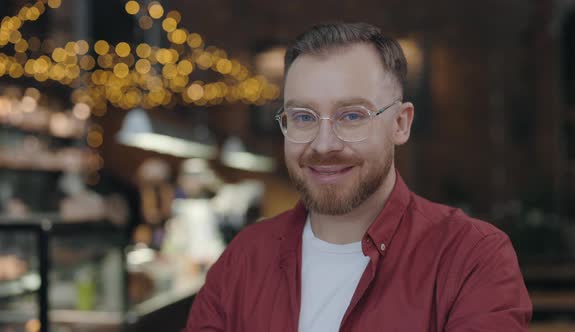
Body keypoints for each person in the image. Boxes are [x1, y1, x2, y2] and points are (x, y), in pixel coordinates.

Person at [185, 22, 532, 331]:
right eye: (303, 117)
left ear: (400, 123)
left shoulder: (472, 257)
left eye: (351, 116)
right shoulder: (243, 258)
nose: (323, 145)